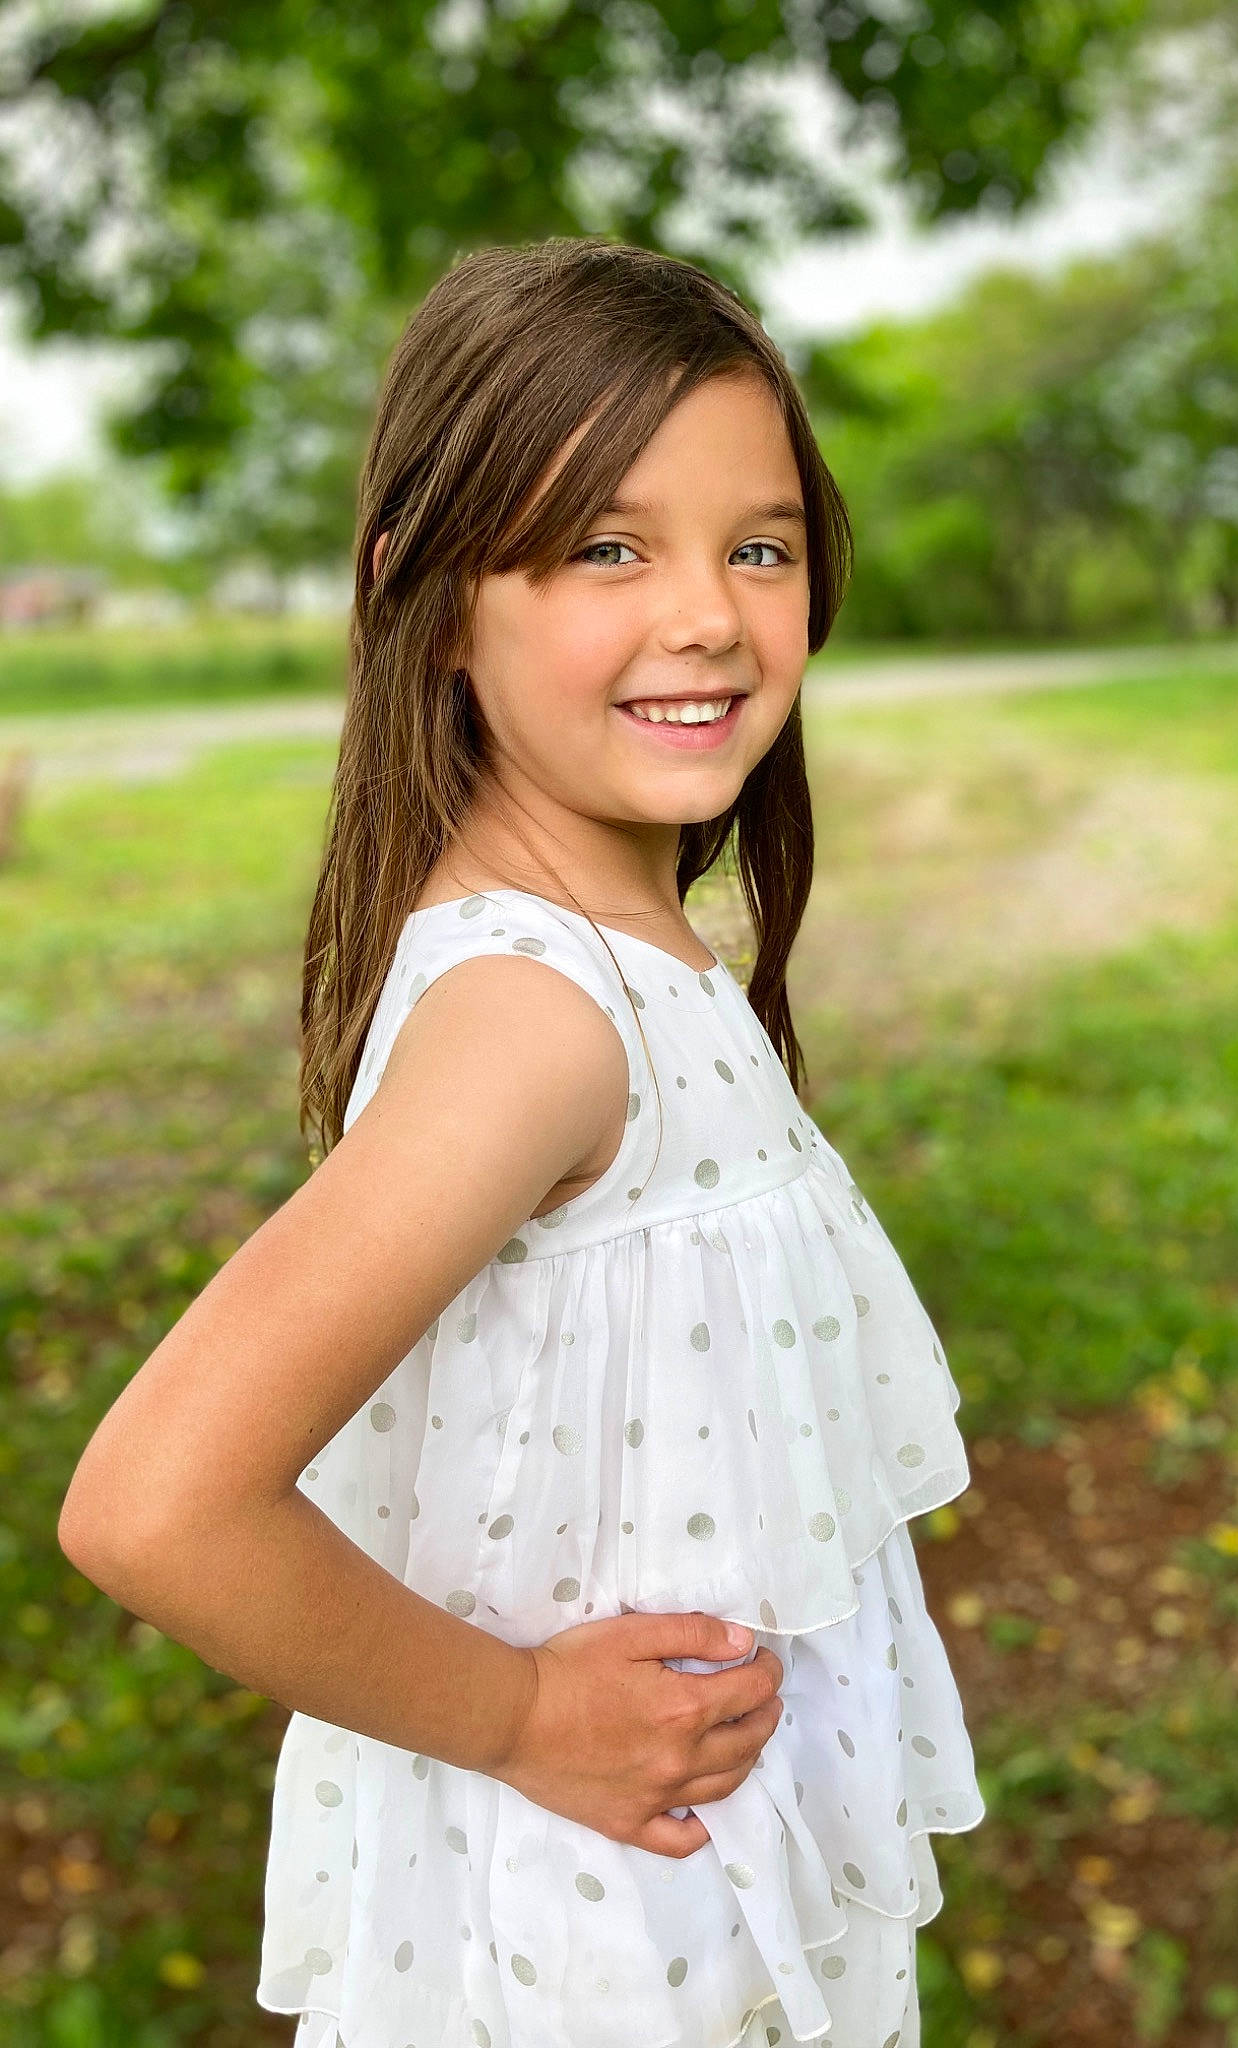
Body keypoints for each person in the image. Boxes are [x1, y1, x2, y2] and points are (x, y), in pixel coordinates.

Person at [58, 235, 984, 2048]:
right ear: (429, 594)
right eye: (607, 549)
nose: (708, 615)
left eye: (761, 546)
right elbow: (154, 1506)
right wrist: (522, 1715)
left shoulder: (632, 963)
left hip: (693, 1896)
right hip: (599, 1939)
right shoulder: (537, 1019)